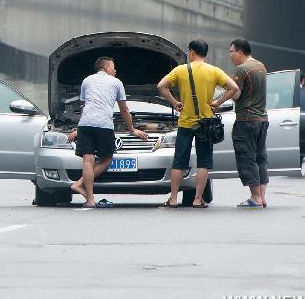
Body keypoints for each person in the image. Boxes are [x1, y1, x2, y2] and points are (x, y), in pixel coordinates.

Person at [157, 39, 239, 208]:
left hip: (185, 123)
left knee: (179, 162)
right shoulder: (214, 71)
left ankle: (173, 199)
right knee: (203, 162)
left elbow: (161, 86)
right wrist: (217, 102)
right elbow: (233, 88)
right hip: (206, 124)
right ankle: (197, 199)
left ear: (192, 52)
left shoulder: (180, 70)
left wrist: (174, 102)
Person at [67, 57, 148, 208]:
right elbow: (124, 109)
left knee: (88, 160)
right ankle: (78, 184)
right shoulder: (116, 83)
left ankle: (89, 199)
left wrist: (79, 128)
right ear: (105, 67)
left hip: (85, 124)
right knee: (106, 160)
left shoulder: (86, 80)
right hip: (103, 125)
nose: (115, 70)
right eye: (113, 67)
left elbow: (85, 106)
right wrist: (132, 130)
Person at [228, 39, 269, 208]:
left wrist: (227, 86)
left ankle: (255, 197)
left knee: (247, 158)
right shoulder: (261, 66)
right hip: (262, 120)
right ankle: (262, 197)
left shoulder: (243, 69)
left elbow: (236, 95)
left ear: (240, 52)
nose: (230, 56)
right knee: (260, 158)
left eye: (231, 52)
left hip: (246, 120)